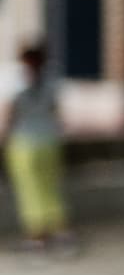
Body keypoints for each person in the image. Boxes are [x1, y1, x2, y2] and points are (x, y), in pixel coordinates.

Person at [5, 41, 77, 256]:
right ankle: (62, 235)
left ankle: (37, 239)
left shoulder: (15, 81)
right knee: (51, 189)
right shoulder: (52, 79)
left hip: (24, 143)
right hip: (49, 141)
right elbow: (57, 112)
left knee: (30, 191)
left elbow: (10, 115)